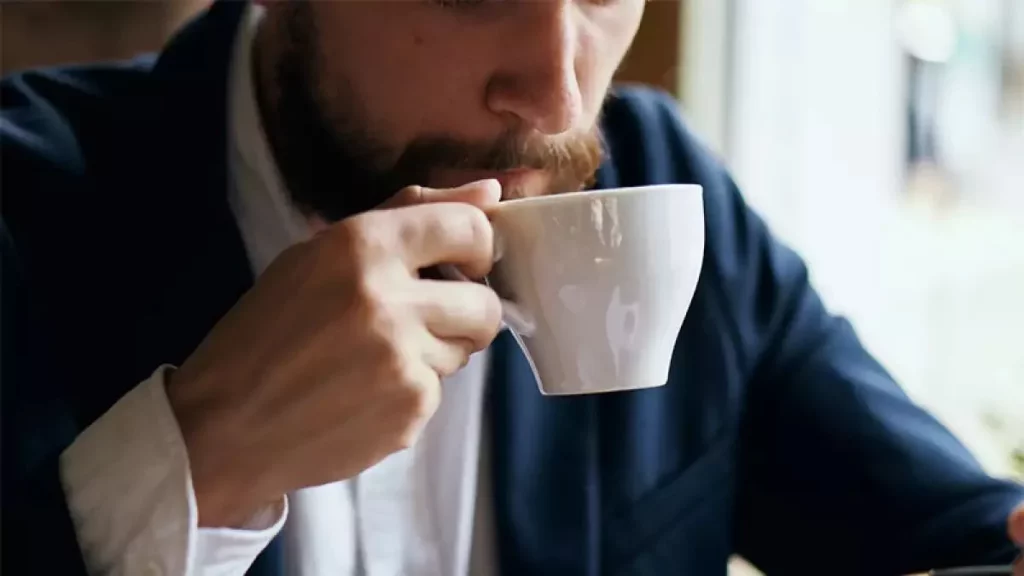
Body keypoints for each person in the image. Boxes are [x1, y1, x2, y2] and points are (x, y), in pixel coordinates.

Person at [2, 1, 1021, 575]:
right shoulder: (25, 200)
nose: (561, 94)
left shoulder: (659, 187)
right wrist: (199, 458)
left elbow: (953, 537)